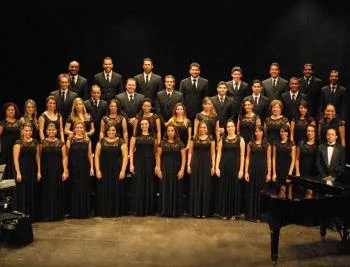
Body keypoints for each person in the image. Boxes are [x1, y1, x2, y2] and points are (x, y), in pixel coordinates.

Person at [94, 124, 128, 217]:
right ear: (106, 132)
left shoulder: (121, 141)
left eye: (113, 130)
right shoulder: (101, 142)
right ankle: (104, 211)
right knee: (104, 190)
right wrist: (97, 170)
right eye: (109, 130)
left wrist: (123, 170)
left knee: (116, 190)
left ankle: (116, 212)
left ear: (116, 131)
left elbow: (125, 157)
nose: (111, 132)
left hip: (117, 170)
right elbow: (96, 156)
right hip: (104, 169)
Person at [215, 120, 245, 220]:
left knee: (234, 189)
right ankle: (224, 213)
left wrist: (241, 170)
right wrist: (216, 167)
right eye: (228, 127)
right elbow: (219, 153)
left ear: (235, 127)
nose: (230, 128)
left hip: (235, 167)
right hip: (224, 167)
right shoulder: (222, 139)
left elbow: (242, 156)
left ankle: (233, 213)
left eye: (232, 126)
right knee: (224, 189)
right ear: (226, 128)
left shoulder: (240, 139)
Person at [39, 123, 69, 221]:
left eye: (53, 130)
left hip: (57, 170)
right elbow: (38, 158)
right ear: (46, 131)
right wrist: (39, 171)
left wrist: (65, 170)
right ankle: (46, 215)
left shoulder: (61, 143)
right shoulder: (42, 143)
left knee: (57, 191)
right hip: (45, 170)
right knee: (46, 191)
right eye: (49, 130)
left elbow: (64, 157)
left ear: (56, 131)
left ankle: (57, 214)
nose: (51, 131)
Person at [155, 124, 186, 217]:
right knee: (165, 189)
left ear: (175, 132)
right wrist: (159, 169)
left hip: (176, 170)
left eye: (172, 130)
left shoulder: (180, 143)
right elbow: (158, 157)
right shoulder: (162, 143)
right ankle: (165, 211)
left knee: (176, 190)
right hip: (165, 169)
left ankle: (175, 212)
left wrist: (182, 170)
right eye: (168, 130)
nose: (170, 132)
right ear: (166, 132)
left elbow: (183, 158)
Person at [187, 121, 215, 218]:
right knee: (196, 185)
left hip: (207, 164)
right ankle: (196, 211)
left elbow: (213, 153)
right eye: (201, 127)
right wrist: (188, 165)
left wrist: (213, 166)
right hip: (195, 164)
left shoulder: (211, 138)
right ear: (198, 128)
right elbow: (190, 152)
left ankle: (204, 211)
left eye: (204, 127)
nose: (202, 129)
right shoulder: (193, 138)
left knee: (205, 186)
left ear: (207, 128)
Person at [129, 118, 157, 216]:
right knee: (139, 184)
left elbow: (156, 152)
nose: (144, 126)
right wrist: (131, 164)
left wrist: (157, 165)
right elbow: (131, 151)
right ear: (139, 126)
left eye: (146, 124)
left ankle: (149, 209)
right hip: (139, 162)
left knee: (149, 183)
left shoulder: (154, 137)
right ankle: (138, 209)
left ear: (149, 125)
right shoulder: (134, 137)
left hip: (150, 162)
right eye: (142, 124)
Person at [13, 122, 41, 220]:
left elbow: (37, 158)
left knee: (32, 191)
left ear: (32, 131)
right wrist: (18, 172)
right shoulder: (18, 143)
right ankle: (22, 215)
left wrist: (39, 171)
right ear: (22, 131)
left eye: (29, 130)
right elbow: (15, 159)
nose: (28, 132)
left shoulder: (35, 142)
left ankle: (32, 216)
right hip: (22, 169)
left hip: (32, 169)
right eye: (26, 130)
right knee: (23, 191)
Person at [66, 121, 94, 218]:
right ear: (74, 129)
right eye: (77, 127)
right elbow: (66, 154)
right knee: (74, 189)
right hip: (73, 167)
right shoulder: (70, 139)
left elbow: (90, 155)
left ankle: (84, 212)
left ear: (84, 129)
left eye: (81, 127)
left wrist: (92, 167)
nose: (79, 129)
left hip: (85, 167)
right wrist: (66, 169)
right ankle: (74, 212)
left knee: (84, 188)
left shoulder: (87, 140)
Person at [244, 125, 271, 222]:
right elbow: (247, 158)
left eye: (260, 131)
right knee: (252, 192)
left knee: (261, 192)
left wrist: (269, 173)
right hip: (252, 170)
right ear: (254, 133)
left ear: (263, 133)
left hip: (262, 171)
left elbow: (269, 159)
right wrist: (246, 171)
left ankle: (259, 216)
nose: (258, 133)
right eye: (256, 131)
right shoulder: (250, 144)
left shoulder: (267, 145)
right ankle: (251, 215)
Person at [116, 78, 144, 142]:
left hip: (137, 124)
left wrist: (135, 118)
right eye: (129, 85)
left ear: (135, 86)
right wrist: (128, 119)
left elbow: (142, 109)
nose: (131, 87)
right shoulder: (119, 97)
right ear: (126, 86)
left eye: (133, 85)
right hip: (124, 125)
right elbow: (119, 110)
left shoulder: (141, 97)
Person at [272, 124, 296, 200]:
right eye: (281, 131)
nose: (283, 133)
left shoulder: (292, 143)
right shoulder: (276, 143)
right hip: (279, 169)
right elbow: (274, 158)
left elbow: (293, 160)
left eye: (285, 132)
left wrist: (290, 174)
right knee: (281, 193)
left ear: (288, 133)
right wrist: (274, 173)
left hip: (288, 170)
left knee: (289, 195)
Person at [295, 125, 318, 199]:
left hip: (314, 173)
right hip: (302, 171)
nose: (310, 133)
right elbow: (297, 159)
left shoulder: (319, 144)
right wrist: (298, 172)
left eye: (312, 131)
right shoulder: (301, 143)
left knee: (310, 195)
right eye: (308, 131)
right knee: (301, 194)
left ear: (315, 133)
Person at [0, 102, 21, 180]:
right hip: (5, 149)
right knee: (4, 167)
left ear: (15, 111)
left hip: (16, 149)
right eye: (9, 110)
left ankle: (15, 190)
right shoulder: (2, 123)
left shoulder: (19, 122)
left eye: (12, 110)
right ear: (5, 111)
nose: (11, 111)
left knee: (15, 166)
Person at [84, 84, 108, 151]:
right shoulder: (85, 103)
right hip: (89, 131)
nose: (96, 94)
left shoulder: (104, 103)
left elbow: (105, 118)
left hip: (100, 130)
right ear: (91, 93)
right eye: (94, 93)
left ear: (100, 93)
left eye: (98, 93)